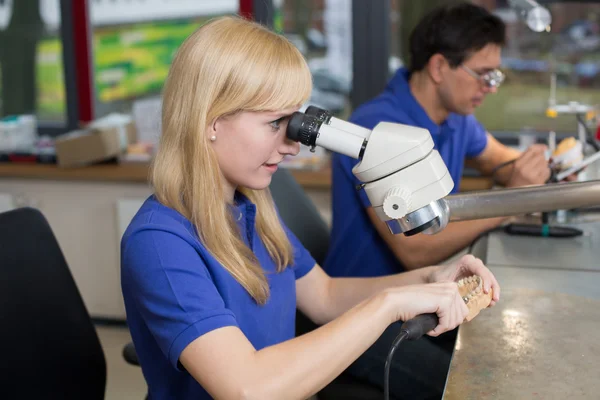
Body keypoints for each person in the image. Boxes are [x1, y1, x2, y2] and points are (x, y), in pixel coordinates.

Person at [120, 16, 500, 400]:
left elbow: (326, 296)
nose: (292, 145)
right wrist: (390, 305)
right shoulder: (160, 241)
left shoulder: (251, 208)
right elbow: (246, 389)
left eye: (294, 121)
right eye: (275, 123)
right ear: (211, 121)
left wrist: (432, 277)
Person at [321, 3, 542, 398]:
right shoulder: (377, 131)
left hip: (418, 297)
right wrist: (507, 205)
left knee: (503, 354)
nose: (490, 88)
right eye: (483, 74)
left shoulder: (456, 118)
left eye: (496, 76)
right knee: (478, 386)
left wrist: (536, 167)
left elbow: (499, 161)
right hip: (361, 315)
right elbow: (416, 249)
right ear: (440, 67)